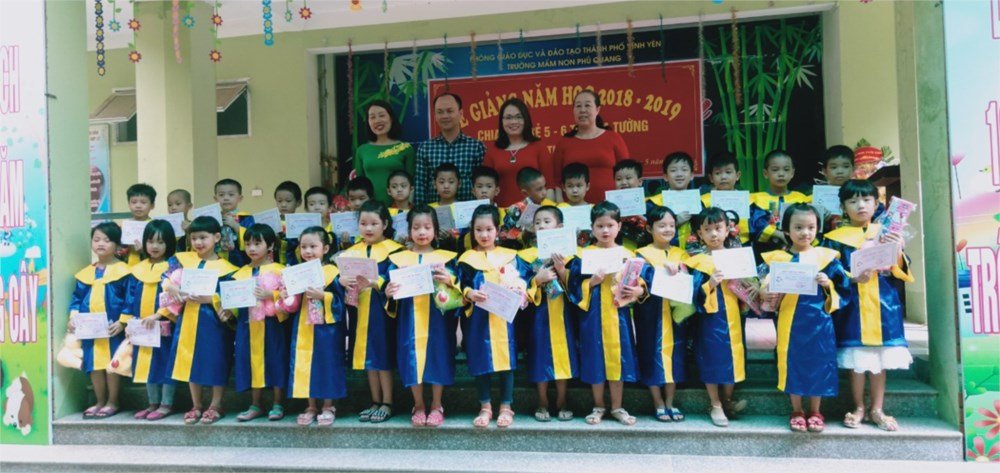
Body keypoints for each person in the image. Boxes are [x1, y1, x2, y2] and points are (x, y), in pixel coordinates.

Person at [821, 179, 913, 432]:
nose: (860, 205)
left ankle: (877, 409)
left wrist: (897, 248)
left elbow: (900, 270)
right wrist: (851, 278)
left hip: (883, 302)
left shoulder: (886, 233)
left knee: (880, 359)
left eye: (866, 200)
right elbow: (830, 271)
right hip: (853, 305)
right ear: (843, 207)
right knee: (857, 358)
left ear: (876, 204)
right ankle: (859, 406)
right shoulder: (833, 239)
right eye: (853, 201)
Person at [760, 204, 849, 433]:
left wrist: (827, 283)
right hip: (790, 321)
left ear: (818, 228)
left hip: (819, 321)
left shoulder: (827, 258)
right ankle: (797, 409)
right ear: (786, 230)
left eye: (811, 227)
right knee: (793, 362)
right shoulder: (777, 259)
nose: (805, 233)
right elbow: (765, 289)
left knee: (819, 361)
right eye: (798, 227)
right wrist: (766, 290)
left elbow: (844, 287)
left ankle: (816, 410)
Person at [566, 201, 644, 426]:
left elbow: (641, 283)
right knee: (595, 358)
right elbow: (573, 287)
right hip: (593, 317)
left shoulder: (628, 255)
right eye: (600, 226)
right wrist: (592, 282)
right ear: (592, 228)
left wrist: (638, 291)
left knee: (618, 359)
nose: (605, 230)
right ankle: (598, 405)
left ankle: (617, 407)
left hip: (619, 316)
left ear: (619, 226)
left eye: (610, 225)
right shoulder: (584, 256)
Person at [385, 205, 461, 427]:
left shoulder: (446, 258)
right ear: (409, 231)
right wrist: (388, 292)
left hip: (438, 319)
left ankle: (437, 404)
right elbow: (390, 292)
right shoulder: (398, 259)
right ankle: (418, 404)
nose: (422, 232)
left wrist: (450, 280)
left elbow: (458, 290)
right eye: (416, 227)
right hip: (409, 317)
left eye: (427, 227)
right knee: (411, 357)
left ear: (435, 231)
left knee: (438, 355)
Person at [458, 205, 532, 428]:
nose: (484, 234)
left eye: (489, 229)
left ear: (498, 230)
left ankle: (506, 406)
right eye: (478, 230)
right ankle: (485, 406)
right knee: (480, 359)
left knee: (506, 360)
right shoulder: (467, 259)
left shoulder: (510, 257)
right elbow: (460, 285)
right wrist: (469, 293)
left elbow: (525, 280)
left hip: (504, 319)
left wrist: (520, 289)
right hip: (478, 319)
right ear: (472, 231)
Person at [161, 216, 239, 425]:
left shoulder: (228, 268)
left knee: (216, 359)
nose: (198, 242)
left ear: (216, 237)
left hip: (212, 322)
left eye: (203, 237)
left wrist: (212, 299)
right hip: (188, 318)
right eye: (194, 238)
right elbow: (165, 278)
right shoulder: (182, 260)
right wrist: (171, 287)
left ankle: (216, 404)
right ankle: (196, 404)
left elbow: (231, 298)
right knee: (190, 359)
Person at [340, 201, 404, 423]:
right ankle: (375, 401)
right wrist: (342, 281)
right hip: (358, 309)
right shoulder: (350, 253)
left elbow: (396, 280)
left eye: (374, 223)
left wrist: (377, 282)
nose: (368, 228)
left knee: (381, 355)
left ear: (385, 224)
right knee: (367, 356)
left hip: (381, 310)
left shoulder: (395, 251)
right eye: (363, 223)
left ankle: (388, 402)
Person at [685, 207, 749, 427]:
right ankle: (715, 404)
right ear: (699, 233)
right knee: (711, 357)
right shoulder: (697, 262)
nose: (713, 234)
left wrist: (750, 287)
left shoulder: (738, 258)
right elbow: (692, 294)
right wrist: (710, 284)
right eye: (707, 229)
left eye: (718, 228)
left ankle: (728, 400)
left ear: (727, 229)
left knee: (733, 356)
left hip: (734, 315)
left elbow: (750, 289)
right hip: (710, 318)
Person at [278, 227, 346, 426]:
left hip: (327, 329)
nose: (307, 251)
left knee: (327, 363)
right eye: (303, 247)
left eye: (313, 246)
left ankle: (328, 405)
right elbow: (291, 302)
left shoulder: (333, 272)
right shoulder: (297, 272)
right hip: (303, 325)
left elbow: (341, 302)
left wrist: (323, 295)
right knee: (304, 362)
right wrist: (285, 295)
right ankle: (311, 406)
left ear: (325, 248)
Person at [517, 206, 578, 422]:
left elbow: (579, 286)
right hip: (538, 315)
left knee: (563, 355)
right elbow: (518, 284)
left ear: (559, 227)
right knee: (539, 355)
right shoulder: (525, 257)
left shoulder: (570, 255)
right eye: (537, 222)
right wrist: (537, 280)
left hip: (563, 313)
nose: (541, 226)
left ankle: (562, 400)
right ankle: (542, 401)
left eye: (547, 221)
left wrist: (561, 270)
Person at [226, 224, 289, 422]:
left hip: (272, 325)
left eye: (257, 243)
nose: (251, 248)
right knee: (251, 361)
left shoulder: (280, 270)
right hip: (247, 325)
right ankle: (255, 404)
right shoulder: (240, 273)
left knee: (276, 359)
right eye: (247, 244)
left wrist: (272, 294)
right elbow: (234, 302)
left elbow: (290, 298)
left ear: (270, 245)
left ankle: (278, 403)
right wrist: (228, 309)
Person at [68, 222, 131, 419]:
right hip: (90, 328)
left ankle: (113, 401)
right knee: (93, 364)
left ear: (117, 245)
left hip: (112, 327)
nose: (100, 244)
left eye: (107, 240)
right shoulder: (85, 273)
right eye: (96, 240)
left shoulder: (125, 271)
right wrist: (73, 318)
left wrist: (122, 322)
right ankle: (100, 401)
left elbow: (130, 299)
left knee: (112, 364)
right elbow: (77, 298)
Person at [635, 205, 689, 422]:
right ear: (649, 228)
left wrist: (682, 271)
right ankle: (658, 402)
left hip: (676, 315)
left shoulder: (681, 253)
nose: (668, 229)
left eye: (672, 225)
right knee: (652, 353)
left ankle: (670, 402)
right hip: (651, 313)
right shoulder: (641, 254)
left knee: (675, 355)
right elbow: (640, 281)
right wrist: (660, 271)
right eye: (662, 225)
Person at [122, 220, 177, 421]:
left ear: (169, 243)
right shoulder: (138, 269)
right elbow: (130, 297)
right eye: (151, 241)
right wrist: (127, 322)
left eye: (161, 242)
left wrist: (159, 314)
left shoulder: (173, 267)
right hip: (141, 326)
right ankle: (152, 403)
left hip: (163, 324)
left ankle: (166, 403)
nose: (155, 246)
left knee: (165, 362)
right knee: (145, 362)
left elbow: (175, 298)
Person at [552, 89, 629, 203]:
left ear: (598, 109)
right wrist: (561, 205)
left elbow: (627, 172)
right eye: (578, 106)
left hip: (610, 207)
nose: (582, 110)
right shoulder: (564, 142)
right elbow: (557, 180)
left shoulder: (613, 138)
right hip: (574, 208)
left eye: (587, 105)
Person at [415, 92, 486, 205]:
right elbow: (420, 185)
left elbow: (482, 184)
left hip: (468, 213)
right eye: (440, 112)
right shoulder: (425, 148)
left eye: (450, 111)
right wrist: (420, 212)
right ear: (435, 116)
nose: (445, 116)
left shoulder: (476, 147)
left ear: (461, 113)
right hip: (434, 213)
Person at [482, 98, 554, 207]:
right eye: (508, 118)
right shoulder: (492, 150)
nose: (513, 122)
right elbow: (485, 186)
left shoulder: (538, 146)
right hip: (501, 213)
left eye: (519, 117)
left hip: (534, 213)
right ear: (501, 121)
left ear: (526, 119)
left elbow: (549, 186)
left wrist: (546, 211)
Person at [750, 150, 812, 257]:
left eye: (786, 170)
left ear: (792, 173)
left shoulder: (801, 199)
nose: (781, 174)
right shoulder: (756, 199)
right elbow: (754, 224)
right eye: (775, 170)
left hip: (796, 250)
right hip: (766, 251)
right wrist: (777, 234)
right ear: (765, 173)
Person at [354, 100, 416, 205]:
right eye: (372, 117)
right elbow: (359, 185)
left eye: (381, 115)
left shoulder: (405, 148)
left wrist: (406, 210)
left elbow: (411, 183)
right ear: (368, 122)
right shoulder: (362, 150)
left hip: (398, 208)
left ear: (391, 118)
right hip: (371, 210)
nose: (377, 120)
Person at [646, 152, 698, 250]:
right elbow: (647, 233)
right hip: (664, 253)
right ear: (665, 176)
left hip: (694, 253)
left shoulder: (700, 202)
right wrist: (675, 223)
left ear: (691, 175)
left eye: (684, 170)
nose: (679, 174)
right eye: (673, 170)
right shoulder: (654, 203)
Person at [700, 153, 750, 245]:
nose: (723, 177)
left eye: (728, 172)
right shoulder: (704, 201)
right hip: (713, 244)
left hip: (743, 244)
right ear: (711, 178)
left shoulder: (748, 200)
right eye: (718, 173)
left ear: (737, 175)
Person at [214, 178, 255, 267]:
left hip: (240, 260)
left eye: (231, 194)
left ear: (240, 198)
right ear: (215, 199)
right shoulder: (213, 219)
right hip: (216, 262)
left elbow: (253, 239)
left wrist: (236, 226)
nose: (226, 198)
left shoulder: (246, 218)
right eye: (221, 195)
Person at [122, 183, 157, 265]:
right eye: (134, 202)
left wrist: (144, 250)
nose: (138, 206)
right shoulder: (125, 225)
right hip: (129, 265)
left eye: (143, 202)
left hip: (149, 265)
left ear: (152, 205)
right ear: (129, 204)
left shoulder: (155, 226)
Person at [274, 181, 303, 265]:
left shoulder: (302, 222)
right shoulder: (273, 221)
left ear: (298, 202)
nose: (283, 204)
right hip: (275, 263)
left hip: (296, 263)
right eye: (279, 201)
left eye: (288, 201)